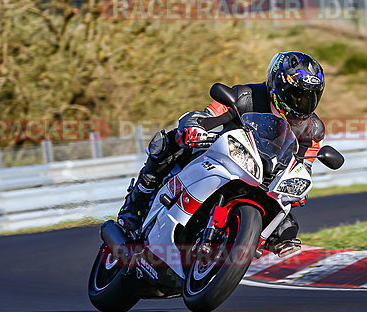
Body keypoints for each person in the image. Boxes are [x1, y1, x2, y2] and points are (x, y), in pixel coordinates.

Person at [117, 51, 325, 257]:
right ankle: (134, 206)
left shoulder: (312, 130)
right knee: (167, 144)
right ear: (277, 85)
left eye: (309, 97)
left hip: (266, 178)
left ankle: (243, 241)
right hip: (224, 155)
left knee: (287, 225)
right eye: (296, 95)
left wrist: (299, 188)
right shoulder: (245, 96)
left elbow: (304, 166)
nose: (301, 103)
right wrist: (193, 127)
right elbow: (205, 116)